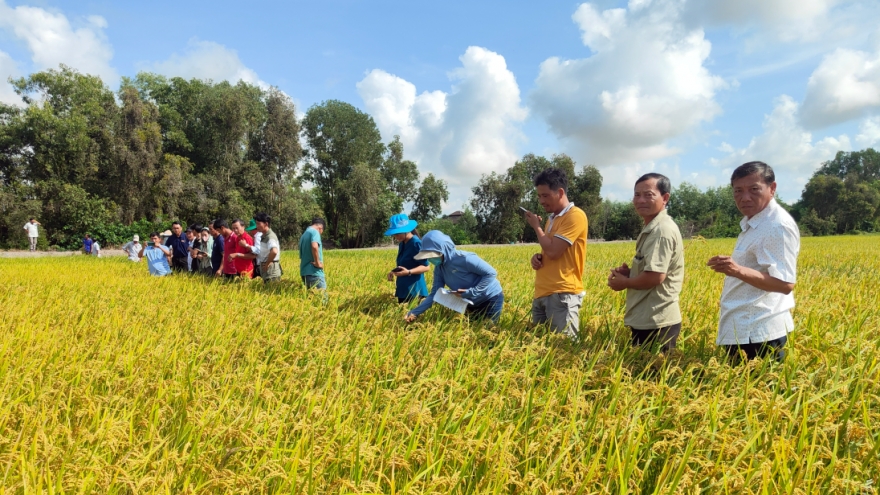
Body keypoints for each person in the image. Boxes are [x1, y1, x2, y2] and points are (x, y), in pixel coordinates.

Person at [708, 161, 800, 363]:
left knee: (760, 391)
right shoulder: (755, 222)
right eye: (738, 191)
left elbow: (785, 284)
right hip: (744, 328)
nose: (745, 197)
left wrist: (736, 270)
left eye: (754, 189)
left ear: (772, 188)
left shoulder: (776, 226)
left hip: (759, 332)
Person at [607, 173, 684, 351]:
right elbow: (650, 270)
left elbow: (655, 277)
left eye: (648, 195)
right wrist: (631, 273)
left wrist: (624, 282)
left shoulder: (661, 230)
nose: (640, 200)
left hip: (657, 321)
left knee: (653, 374)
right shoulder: (652, 227)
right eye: (637, 195)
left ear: (665, 198)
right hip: (648, 317)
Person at [523, 168, 588, 340]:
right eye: (539, 196)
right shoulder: (552, 219)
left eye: (545, 195)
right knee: (540, 348)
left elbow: (553, 251)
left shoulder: (575, 216)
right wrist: (538, 257)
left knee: (562, 351)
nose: (541, 201)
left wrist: (536, 227)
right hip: (542, 293)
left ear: (560, 192)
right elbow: (549, 250)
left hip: (562, 294)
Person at [405, 230, 504, 323]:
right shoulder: (439, 269)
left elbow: (491, 273)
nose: (430, 259)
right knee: (473, 332)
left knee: (488, 330)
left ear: (444, 249)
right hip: (469, 302)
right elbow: (435, 294)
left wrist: (472, 292)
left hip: (490, 298)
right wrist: (414, 312)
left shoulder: (465, 259)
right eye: (428, 256)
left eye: (433, 255)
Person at [384, 213, 429, 303]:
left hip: (415, 290)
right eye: (394, 234)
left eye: (398, 233)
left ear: (407, 230)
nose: (396, 237)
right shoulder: (402, 244)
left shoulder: (416, 243)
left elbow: (426, 267)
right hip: (403, 290)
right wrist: (394, 272)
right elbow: (405, 264)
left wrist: (408, 272)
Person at [253, 212, 281, 283]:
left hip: (271, 272)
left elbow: (274, 251)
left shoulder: (270, 237)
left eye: (259, 224)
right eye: (256, 224)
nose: (257, 226)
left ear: (266, 224)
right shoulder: (264, 236)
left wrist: (268, 263)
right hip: (267, 272)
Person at [299, 217, 326, 289]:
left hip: (305, 273)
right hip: (314, 273)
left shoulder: (304, 235)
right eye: (321, 232)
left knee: (311, 298)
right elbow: (314, 246)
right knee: (322, 299)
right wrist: (317, 263)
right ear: (320, 228)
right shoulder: (315, 232)